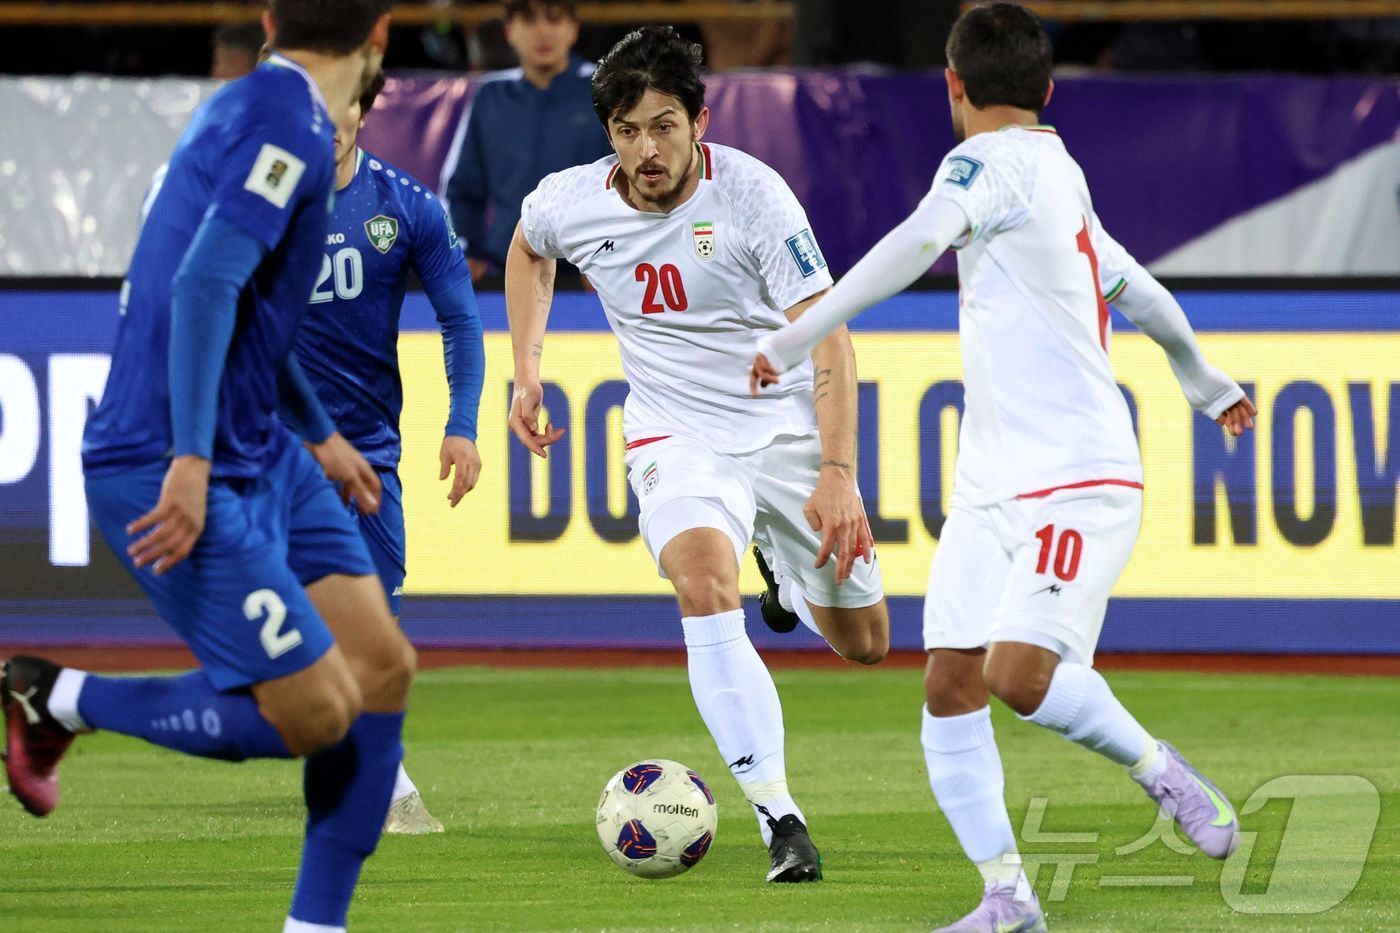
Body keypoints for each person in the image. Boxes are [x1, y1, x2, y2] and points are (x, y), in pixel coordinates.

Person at [749, 4, 1256, 929]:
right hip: (993, 485)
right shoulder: (1057, 170)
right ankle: (1008, 897)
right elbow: (1132, 281)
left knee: (1019, 675)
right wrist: (1202, 375)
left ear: (952, 84)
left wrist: (798, 333)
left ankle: (1163, 772)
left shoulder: (980, 166)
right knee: (950, 681)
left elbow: (916, 239)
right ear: (1049, 89)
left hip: (1079, 474)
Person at [2, 3, 415, 930]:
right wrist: (189, 458)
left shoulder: (248, 107)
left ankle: (316, 926)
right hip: (164, 453)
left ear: (269, 22)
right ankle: (57, 695)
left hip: (264, 443)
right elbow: (204, 285)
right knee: (315, 712)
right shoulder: (288, 125)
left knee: (382, 667)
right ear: (381, 35)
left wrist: (318, 434)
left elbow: (255, 313)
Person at [506, 25, 890, 884]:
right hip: (675, 435)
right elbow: (530, 248)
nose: (648, 149)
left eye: (665, 125)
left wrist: (837, 475)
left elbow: (830, 342)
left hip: (784, 432)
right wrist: (526, 369)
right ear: (607, 131)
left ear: (700, 120)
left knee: (866, 642)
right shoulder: (573, 201)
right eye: (629, 129)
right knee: (702, 584)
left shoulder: (753, 198)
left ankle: (784, 570)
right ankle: (780, 817)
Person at [294, 71, 486, 835]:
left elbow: (461, 321)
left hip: (369, 455)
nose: (328, 125)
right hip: (275, 448)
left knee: (375, 620)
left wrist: (462, 423)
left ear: (363, 111)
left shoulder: (407, 207)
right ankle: (387, 780)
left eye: (342, 108)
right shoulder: (258, 210)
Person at [441, 0, 611, 281]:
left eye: (554, 20)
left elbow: (629, 187)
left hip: (587, 275)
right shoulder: (489, 97)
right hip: (502, 271)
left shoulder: (607, 91)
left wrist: (607, 257)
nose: (543, 32)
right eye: (530, 21)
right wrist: (467, 251)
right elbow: (460, 191)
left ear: (573, 29)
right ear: (509, 31)